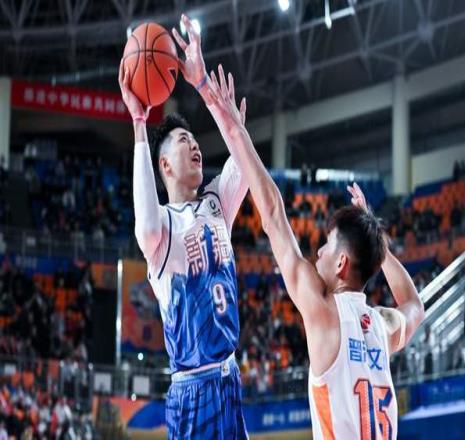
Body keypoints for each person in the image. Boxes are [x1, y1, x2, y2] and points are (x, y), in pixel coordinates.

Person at [207, 67, 424, 439]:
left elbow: (273, 215)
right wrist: (379, 247)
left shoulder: (324, 313)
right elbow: (414, 306)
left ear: (341, 263)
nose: (318, 252)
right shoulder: (383, 325)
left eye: (326, 246)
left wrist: (237, 131)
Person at [119, 15, 248, 439]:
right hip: (193, 392)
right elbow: (144, 222)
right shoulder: (161, 229)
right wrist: (140, 125)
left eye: (194, 140)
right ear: (164, 165)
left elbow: (245, 163)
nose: (194, 144)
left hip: (230, 378)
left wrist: (205, 88)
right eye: (182, 141)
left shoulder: (216, 202)